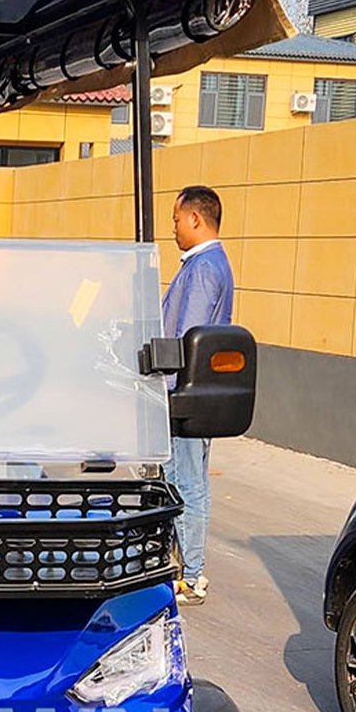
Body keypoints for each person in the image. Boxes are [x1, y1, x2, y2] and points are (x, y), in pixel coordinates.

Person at [162, 185, 234, 606]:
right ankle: (186, 569)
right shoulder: (209, 263)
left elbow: (187, 335)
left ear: (194, 219)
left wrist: (164, 381)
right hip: (194, 393)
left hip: (186, 394)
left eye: (175, 220)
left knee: (186, 483)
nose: (173, 228)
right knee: (188, 481)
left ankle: (190, 574)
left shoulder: (204, 268)